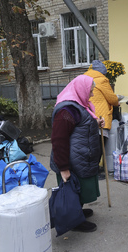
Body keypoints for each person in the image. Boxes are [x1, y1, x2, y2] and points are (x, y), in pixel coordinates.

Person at [50, 75, 105, 232]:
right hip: (72, 161)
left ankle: (77, 212)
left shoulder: (78, 106)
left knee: (79, 189)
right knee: (72, 190)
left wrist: (95, 122)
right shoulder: (66, 111)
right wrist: (63, 167)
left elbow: (79, 124)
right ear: (81, 90)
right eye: (91, 91)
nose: (92, 94)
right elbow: (58, 140)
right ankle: (74, 221)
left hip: (80, 158)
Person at [84, 60, 119, 178]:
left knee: (90, 145)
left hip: (87, 115)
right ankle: (95, 172)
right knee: (99, 145)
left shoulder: (84, 78)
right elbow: (113, 99)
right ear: (102, 72)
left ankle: (91, 168)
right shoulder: (102, 80)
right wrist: (117, 99)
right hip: (100, 116)